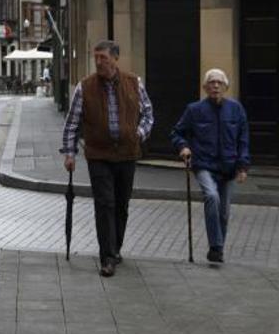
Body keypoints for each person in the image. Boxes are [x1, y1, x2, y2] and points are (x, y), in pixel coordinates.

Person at [60, 40, 154, 277]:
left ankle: (116, 248)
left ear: (115, 58)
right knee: (104, 204)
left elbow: (148, 114)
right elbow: (72, 123)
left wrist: (138, 134)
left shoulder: (134, 83)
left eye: (103, 57)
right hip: (98, 155)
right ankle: (107, 257)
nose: (99, 62)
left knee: (121, 204)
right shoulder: (85, 87)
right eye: (96, 57)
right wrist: (69, 153)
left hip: (127, 154)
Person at [169, 68, 249, 263]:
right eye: (211, 82)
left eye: (219, 83)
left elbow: (243, 139)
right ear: (205, 87)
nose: (215, 86)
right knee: (211, 196)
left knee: (224, 212)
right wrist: (184, 147)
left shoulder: (236, 109)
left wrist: (242, 166)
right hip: (204, 164)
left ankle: (217, 248)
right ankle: (216, 247)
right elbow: (177, 133)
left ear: (226, 87)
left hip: (229, 167)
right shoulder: (194, 110)